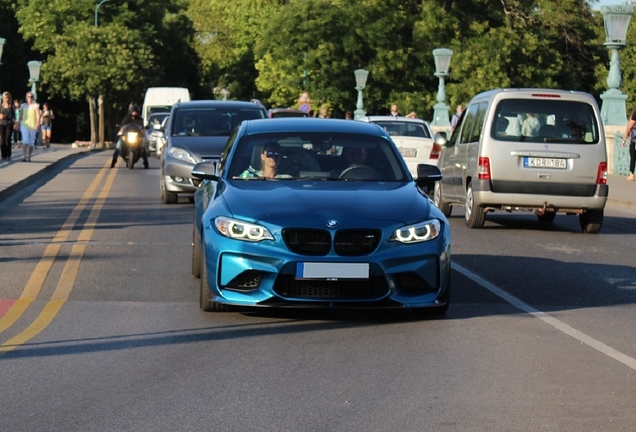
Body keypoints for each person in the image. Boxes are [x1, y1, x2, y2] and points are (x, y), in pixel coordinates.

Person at [20, 92, 41, 162]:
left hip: (33, 125)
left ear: (33, 98)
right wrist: (17, 123)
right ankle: (24, 156)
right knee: (25, 140)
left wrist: (37, 124)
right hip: (25, 124)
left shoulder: (35, 106)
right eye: (28, 97)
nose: (29, 98)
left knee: (31, 141)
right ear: (26, 98)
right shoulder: (23, 105)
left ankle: (29, 156)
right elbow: (20, 115)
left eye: (31, 97)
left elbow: (38, 115)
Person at [622, 105, 636, 181]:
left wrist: (624, 139)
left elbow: (629, 127)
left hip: (634, 140)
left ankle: (631, 174)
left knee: (633, 157)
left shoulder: (635, 114)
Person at [0, 92, 15, 160]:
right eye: (4, 98)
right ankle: (3, 155)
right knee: (2, 139)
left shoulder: (11, 106)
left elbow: (13, 116)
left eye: (7, 98)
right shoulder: (1, 106)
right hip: (1, 124)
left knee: (7, 138)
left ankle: (8, 154)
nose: (6, 99)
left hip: (9, 123)